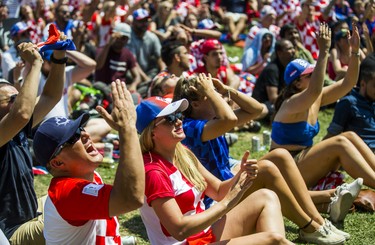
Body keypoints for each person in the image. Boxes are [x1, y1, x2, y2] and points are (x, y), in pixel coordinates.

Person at [173, 73, 352, 244]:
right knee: (265, 169)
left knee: (280, 155)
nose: (218, 97)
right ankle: (309, 226)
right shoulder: (190, 128)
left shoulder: (210, 122)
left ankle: (319, 221)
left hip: (226, 185)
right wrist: (211, 91)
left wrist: (227, 89)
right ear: (195, 105)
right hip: (215, 202)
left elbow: (256, 110)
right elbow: (229, 119)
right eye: (211, 96)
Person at [135, 95, 293, 245]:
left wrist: (242, 175)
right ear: (152, 131)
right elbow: (180, 230)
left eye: (178, 115)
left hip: (204, 235)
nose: (178, 121)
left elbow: (217, 191)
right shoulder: (153, 172)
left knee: (266, 197)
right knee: (273, 240)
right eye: (170, 119)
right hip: (187, 241)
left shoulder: (181, 153)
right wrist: (225, 204)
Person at [32, 80, 145, 244]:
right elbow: (130, 198)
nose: (85, 134)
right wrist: (127, 129)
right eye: (73, 137)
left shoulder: (90, 175)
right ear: (57, 163)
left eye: (80, 129)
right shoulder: (67, 194)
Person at [272, 23, 375, 198]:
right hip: (286, 170)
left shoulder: (314, 98)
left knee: (349, 136)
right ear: (296, 83)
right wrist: (324, 51)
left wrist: (355, 51)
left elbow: (348, 84)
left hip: (303, 162)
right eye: (310, 75)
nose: (316, 78)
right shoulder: (291, 103)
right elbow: (314, 91)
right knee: (340, 143)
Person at [0, 42, 66, 244]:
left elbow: (50, 96)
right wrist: (35, 63)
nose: (20, 100)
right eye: (13, 98)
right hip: (11, 233)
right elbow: (21, 113)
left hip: (30, 216)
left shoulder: (17, 129)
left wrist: (58, 57)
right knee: (73, 216)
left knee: (82, 192)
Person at [326, 54, 375, 152]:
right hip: (365, 152)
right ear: (362, 84)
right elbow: (332, 135)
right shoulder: (348, 103)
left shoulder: (373, 101)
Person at [251, 39, 296, 123]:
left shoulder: (287, 67)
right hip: (263, 105)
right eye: (289, 49)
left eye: (293, 48)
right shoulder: (272, 69)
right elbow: (273, 98)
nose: (293, 51)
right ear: (279, 53)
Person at [95, 22, 141, 92]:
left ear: (127, 40)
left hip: (120, 89)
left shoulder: (128, 54)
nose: (120, 40)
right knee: (99, 85)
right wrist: (108, 44)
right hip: (103, 88)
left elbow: (137, 76)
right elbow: (98, 66)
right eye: (117, 37)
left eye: (123, 38)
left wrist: (133, 85)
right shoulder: (102, 50)